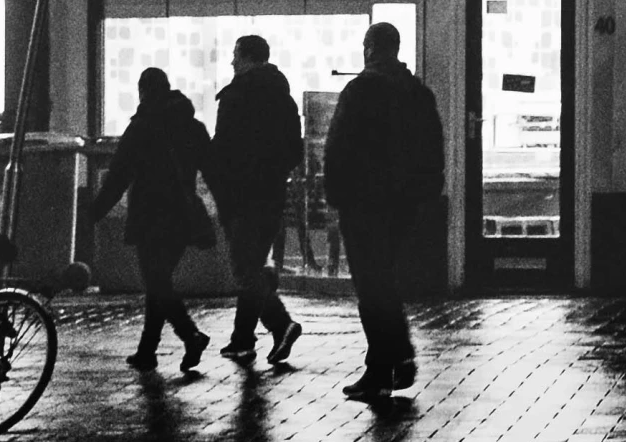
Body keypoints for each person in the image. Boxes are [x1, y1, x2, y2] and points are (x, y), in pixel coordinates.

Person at [320, 21, 443, 400]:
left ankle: (389, 363)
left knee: (372, 286)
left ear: (371, 48)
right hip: (404, 204)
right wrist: (423, 194)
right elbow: (433, 148)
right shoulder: (418, 93)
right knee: (384, 280)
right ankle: (390, 363)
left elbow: (338, 146)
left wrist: (335, 193)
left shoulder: (361, 90)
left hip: (364, 203)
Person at [85, 68, 213, 372]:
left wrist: (93, 213)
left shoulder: (141, 127)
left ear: (143, 91)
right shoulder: (193, 127)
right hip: (183, 217)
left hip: (151, 218)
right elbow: (213, 167)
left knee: (157, 282)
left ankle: (190, 334)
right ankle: (147, 350)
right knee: (159, 283)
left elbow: (118, 177)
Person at [205, 34, 305, 366]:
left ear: (248, 58)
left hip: (241, 197)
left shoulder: (236, 97)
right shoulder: (283, 98)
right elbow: (295, 150)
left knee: (245, 268)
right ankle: (242, 340)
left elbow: (221, 151)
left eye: (236, 55)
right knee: (253, 265)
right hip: (272, 196)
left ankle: (281, 324)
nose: (232, 61)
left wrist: (220, 186)